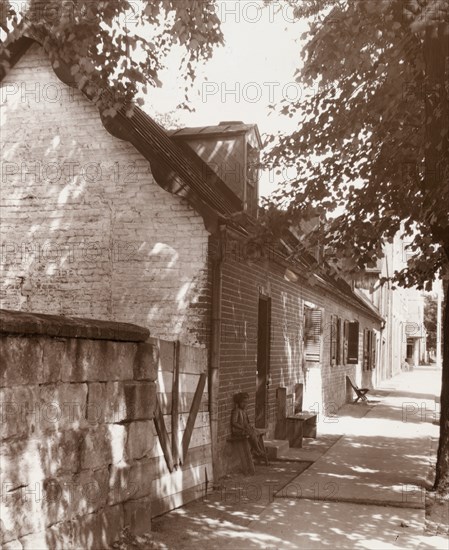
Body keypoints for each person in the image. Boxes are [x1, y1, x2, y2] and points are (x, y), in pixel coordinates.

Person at [231, 392, 266, 459]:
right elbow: (234, 422)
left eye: (246, 403)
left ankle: (254, 450)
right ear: (239, 402)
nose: (245, 404)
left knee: (255, 431)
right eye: (243, 402)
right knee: (252, 433)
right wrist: (243, 428)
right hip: (237, 430)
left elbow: (246, 422)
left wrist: (249, 426)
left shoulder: (244, 411)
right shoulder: (236, 411)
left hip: (244, 430)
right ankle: (258, 450)